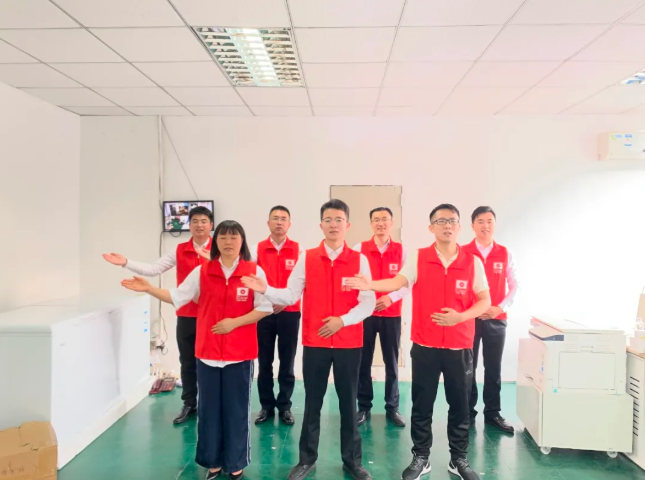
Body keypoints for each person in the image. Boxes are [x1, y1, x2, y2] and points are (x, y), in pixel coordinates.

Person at [347, 204, 490, 480]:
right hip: (425, 345)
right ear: (431, 227)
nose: (447, 225)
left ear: (459, 227)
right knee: (422, 405)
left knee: (460, 406)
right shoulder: (419, 257)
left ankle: (458, 459)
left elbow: (485, 300)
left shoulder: (472, 262)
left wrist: (460, 317)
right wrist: (369, 284)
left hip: (460, 346)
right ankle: (421, 456)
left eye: (452, 221)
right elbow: (397, 282)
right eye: (441, 221)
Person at [121, 220, 272, 480]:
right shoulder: (202, 271)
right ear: (216, 242)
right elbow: (177, 296)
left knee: (236, 411)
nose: (228, 242)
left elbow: (265, 307)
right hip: (208, 353)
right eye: (223, 237)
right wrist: (149, 288)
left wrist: (234, 323)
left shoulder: (253, 271)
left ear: (242, 242)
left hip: (240, 354)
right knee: (209, 411)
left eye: (234, 237)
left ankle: (235, 463)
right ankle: (213, 462)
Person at [241, 199, 376, 480]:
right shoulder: (307, 258)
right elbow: (291, 295)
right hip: (315, 343)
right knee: (313, 402)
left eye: (339, 219)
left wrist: (342, 321)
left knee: (348, 403)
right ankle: (307, 459)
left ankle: (352, 460)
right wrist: (266, 289)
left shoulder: (359, 260)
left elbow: (367, 302)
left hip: (348, 342)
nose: (334, 224)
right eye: (328, 219)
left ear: (347, 225)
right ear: (321, 225)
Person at [103, 206, 213, 425]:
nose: (200, 225)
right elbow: (153, 269)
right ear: (189, 225)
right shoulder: (179, 250)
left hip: (213, 315)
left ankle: (210, 405)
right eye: (195, 221)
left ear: (211, 225)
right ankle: (189, 403)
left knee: (211, 362)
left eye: (204, 221)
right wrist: (126, 263)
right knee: (188, 361)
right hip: (187, 314)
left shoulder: (219, 249)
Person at [462, 206, 520, 434]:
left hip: (497, 318)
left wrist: (499, 308)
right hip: (470, 319)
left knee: (493, 367)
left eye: (489, 221)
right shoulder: (463, 252)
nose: (485, 226)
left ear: (494, 224)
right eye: (480, 221)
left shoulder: (505, 253)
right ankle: (467, 411)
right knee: (468, 366)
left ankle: (493, 413)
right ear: (472, 225)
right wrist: (471, 310)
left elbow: (514, 286)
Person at [352, 207, 409, 428]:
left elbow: (408, 283)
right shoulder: (359, 249)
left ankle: (392, 407)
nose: (380, 223)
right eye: (376, 219)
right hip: (365, 314)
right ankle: (363, 407)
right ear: (371, 224)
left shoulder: (402, 251)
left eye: (385, 219)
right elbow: (353, 280)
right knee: (363, 361)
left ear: (391, 223)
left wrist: (390, 298)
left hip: (391, 314)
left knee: (391, 362)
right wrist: (366, 301)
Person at [250, 206, 303, 426]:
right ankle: (266, 406)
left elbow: (304, 281)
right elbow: (249, 276)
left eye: (283, 219)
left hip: (290, 312)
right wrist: (269, 300)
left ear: (289, 224)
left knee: (287, 361)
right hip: (264, 312)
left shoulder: (299, 250)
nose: (279, 222)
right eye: (275, 218)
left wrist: (284, 300)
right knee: (264, 361)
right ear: (268, 223)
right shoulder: (257, 249)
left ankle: (285, 406)